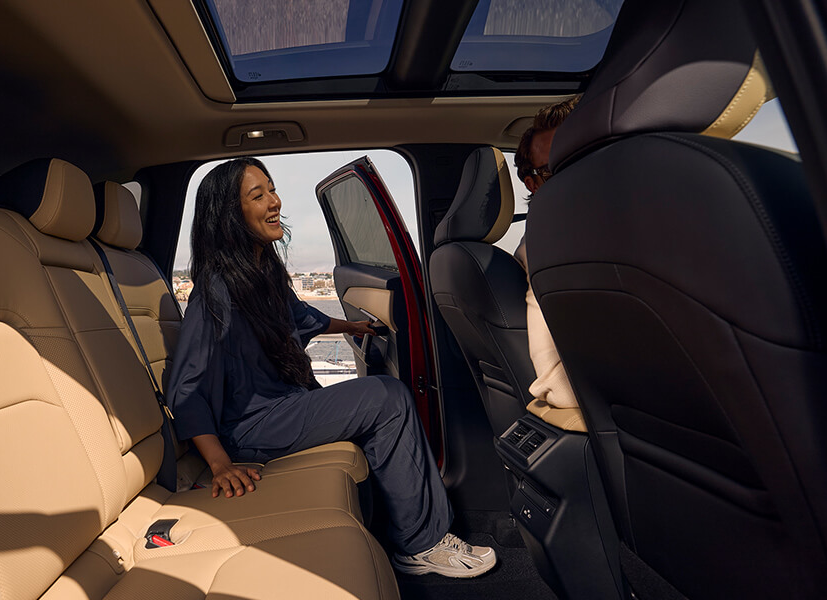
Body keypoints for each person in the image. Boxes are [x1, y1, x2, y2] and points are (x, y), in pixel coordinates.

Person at [167, 157, 497, 578]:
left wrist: (353, 325)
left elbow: (299, 316)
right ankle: (421, 544)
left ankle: (403, 524)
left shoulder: (260, 271)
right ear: (231, 215)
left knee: (378, 398)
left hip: (282, 407)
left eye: (272, 189)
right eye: (258, 195)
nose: (275, 201)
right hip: (252, 426)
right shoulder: (216, 288)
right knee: (388, 397)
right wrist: (219, 463)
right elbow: (188, 385)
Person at [513, 97, 582, 415]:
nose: (574, 178)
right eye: (555, 171)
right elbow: (560, 385)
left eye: (582, 159)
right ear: (533, 184)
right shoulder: (546, 244)